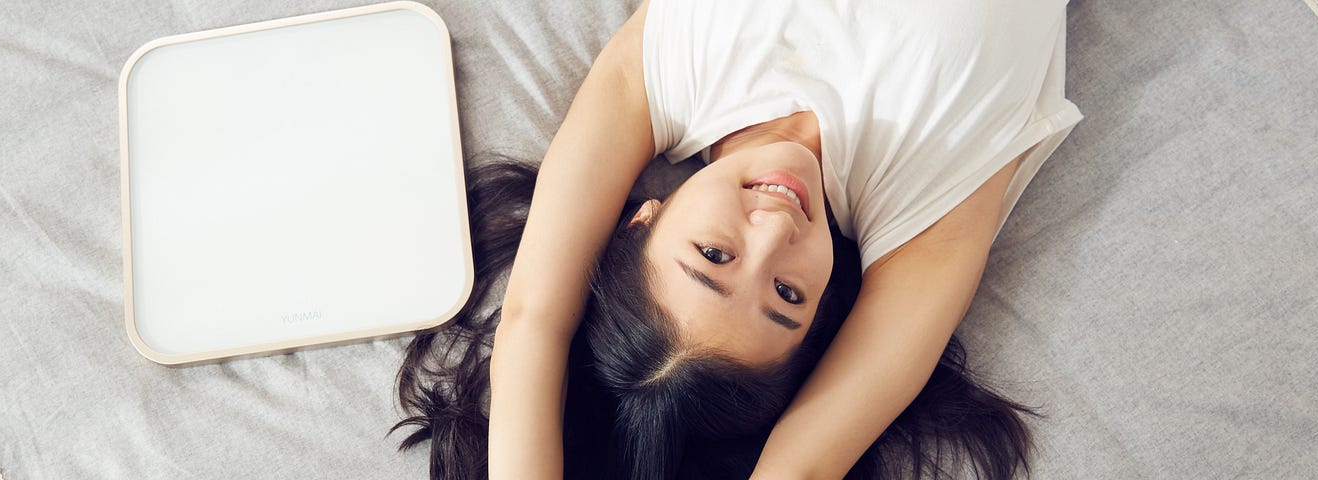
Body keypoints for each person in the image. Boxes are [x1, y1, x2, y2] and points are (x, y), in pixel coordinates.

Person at [395, 0, 1084, 478]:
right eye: (787, 294)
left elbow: (532, 323)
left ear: (642, 218)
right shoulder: (929, 209)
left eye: (714, 257)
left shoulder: (666, 74)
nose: (777, 231)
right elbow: (802, 468)